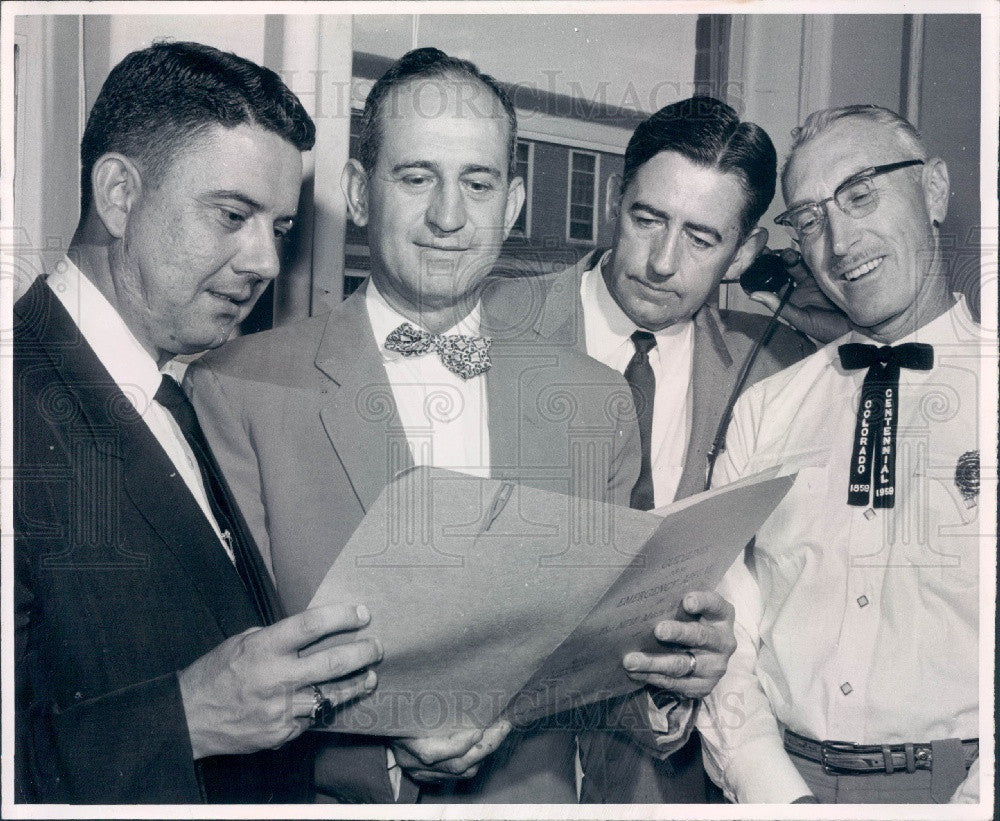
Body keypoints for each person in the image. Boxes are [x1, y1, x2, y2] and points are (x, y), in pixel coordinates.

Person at [188, 48, 733, 804]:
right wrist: (382, 748)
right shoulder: (237, 388)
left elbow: (601, 669)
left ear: (510, 205)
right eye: (417, 178)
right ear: (357, 192)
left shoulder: (596, 401)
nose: (449, 217)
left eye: (477, 184)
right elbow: (218, 681)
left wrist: (668, 678)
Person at [14, 41, 385, 804]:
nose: (265, 263)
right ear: (118, 193)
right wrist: (186, 717)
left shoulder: (173, 389)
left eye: (277, 227)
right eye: (232, 215)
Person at [490, 96, 814, 802]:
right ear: (615, 197)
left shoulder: (774, 375)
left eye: (702, 239)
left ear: (747, 253)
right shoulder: (490, 327)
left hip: (662, 776)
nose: (663, 262)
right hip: (497, 767)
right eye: (647, 219)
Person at [697, 104, 983, 804]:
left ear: (935, 191)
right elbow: (725, 636)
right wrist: (777, 796)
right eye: (810, 218)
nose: (840, 241)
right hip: (778, 786)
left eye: (860, 193)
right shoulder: (766, 409)